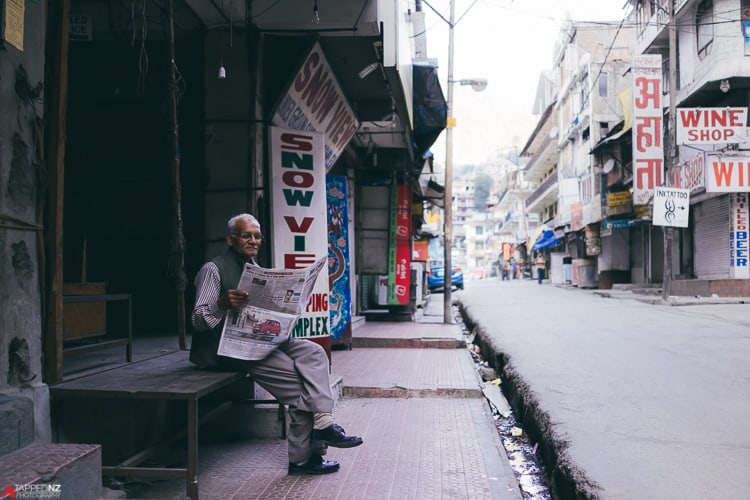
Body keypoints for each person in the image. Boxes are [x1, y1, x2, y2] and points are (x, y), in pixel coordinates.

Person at [190, 213, 363, 475]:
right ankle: (305, 457)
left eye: (257, 236)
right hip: (226, 348)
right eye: (246, 235)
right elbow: (196, 320)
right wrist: (221, 304)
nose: (253, 240)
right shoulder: (212, 270)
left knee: (315, 352)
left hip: (259, 338)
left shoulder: (254, 268)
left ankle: (323, 424)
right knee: (300, 386)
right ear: (230, 239)